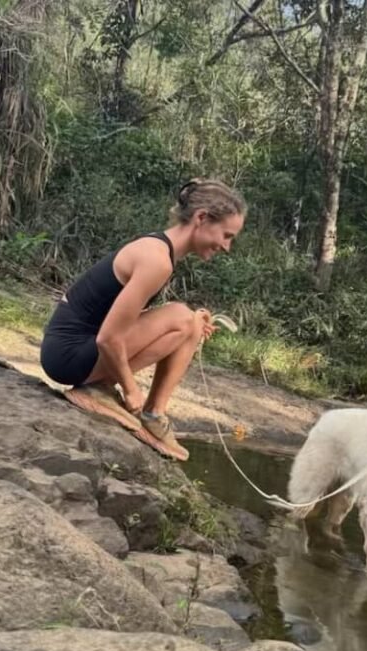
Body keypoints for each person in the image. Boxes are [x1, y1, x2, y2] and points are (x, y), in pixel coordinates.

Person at [40, 178, 246, 460]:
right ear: (201, 218)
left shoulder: (160, 251)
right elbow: (108, 337)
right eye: (226, 235)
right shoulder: (156, 260)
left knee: (190, 320)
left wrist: (192, 324)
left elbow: (119, 320)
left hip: (72, 350)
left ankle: (151, 414)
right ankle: (118, 398)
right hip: (68, 354)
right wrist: (130, 389)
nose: (226, 246)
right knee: (182, 317)